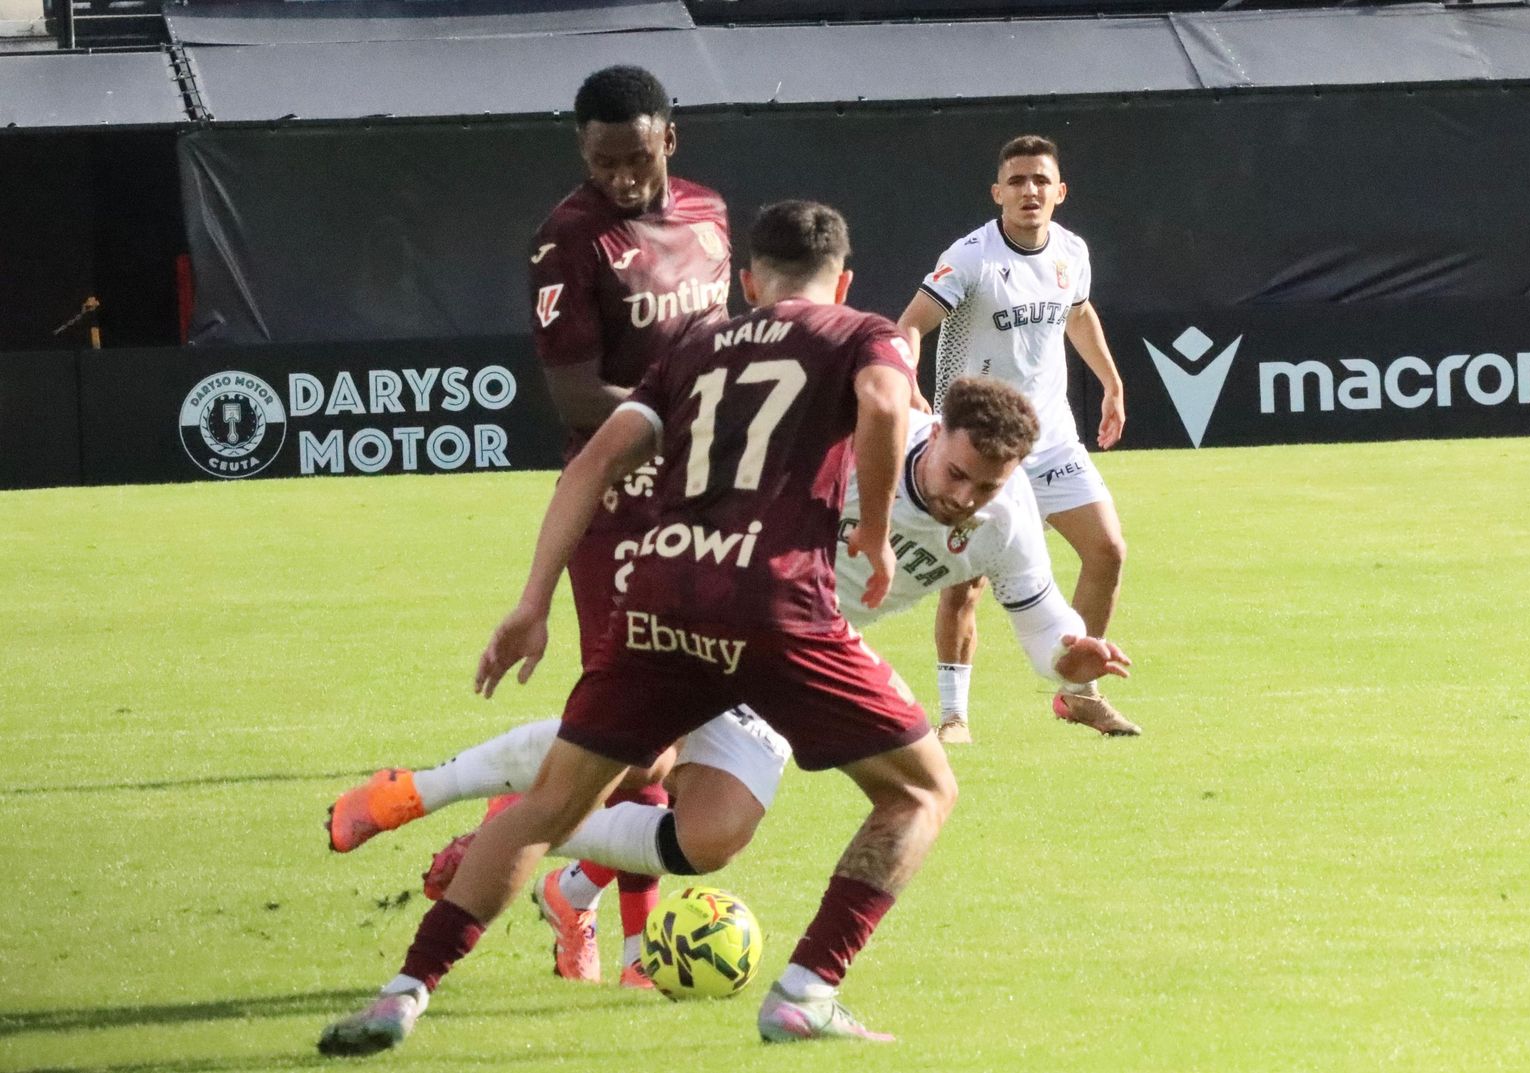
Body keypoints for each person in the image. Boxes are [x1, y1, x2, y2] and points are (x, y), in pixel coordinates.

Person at [318, 199, 952, 1055]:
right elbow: (884, 403)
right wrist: (873, 531)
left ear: (749, 282)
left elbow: (593, 460)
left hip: (659, 594)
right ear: (841, 281)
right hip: (774, 601)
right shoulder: (863, 330)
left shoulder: (694, 345)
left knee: (548, 803)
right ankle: (806, 988)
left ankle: (403, 992)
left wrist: (533, 601)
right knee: (918, 790)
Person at [326, 378, 1133, 917]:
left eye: (984, 487)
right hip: (714, 606)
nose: (964, 497)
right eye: (957, 472)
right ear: (934, 432)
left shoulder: (1010, 519)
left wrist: (1072, 656)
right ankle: (416, 790)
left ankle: (526, 830)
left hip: (799, 658)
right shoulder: (854, 446)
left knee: (708, 838)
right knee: (642, 759)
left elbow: (1043, 628)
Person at [322, 64, 732, 989]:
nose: (623, 177)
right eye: (603, 160)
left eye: (637, 156)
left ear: (673, 136)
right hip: (620, 512)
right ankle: (600, 923)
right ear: (580, 150)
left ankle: (560, 886)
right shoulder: (569, 238)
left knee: (665, 742)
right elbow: (575, 391)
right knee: (641, 736)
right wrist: (686, 421)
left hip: (707, 505)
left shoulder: (708, 210)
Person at [897, 133, 1137, 744]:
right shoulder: (972, 257)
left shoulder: (1071, 251)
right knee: (965, 584)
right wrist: (909, 382)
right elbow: (912, 323)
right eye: (1018, 180)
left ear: (1059, 192)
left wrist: (1110, 382)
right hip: (980, 449)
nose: (1029, 190)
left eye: (1040, 181)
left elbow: (1077, 313)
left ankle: (1078, 692)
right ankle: (954, 716)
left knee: (1107, 550)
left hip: (1052, 439)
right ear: (998, 191)